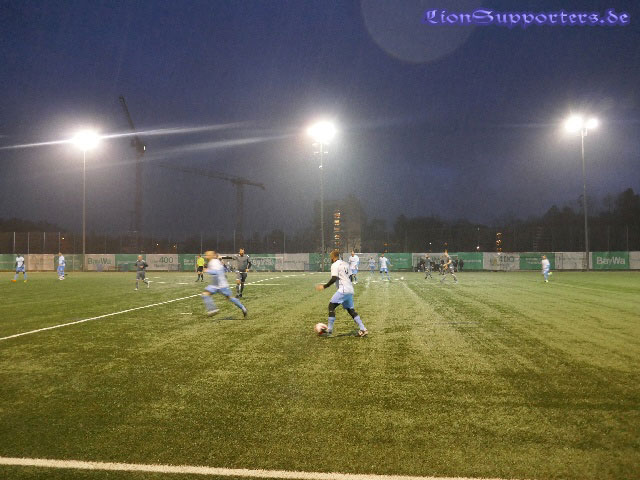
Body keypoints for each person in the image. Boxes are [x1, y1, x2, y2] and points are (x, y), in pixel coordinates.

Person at [315, 249, 367, 337]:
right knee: (351, 310)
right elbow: (351, 278)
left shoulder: (335, 265)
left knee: (331, 306)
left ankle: (329, 330)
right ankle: (363, 329)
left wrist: (324, 286)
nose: (331, 259)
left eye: (331, 257)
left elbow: (334, 278)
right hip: (350, 289)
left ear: (333, 257)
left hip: (343, 290)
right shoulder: (345, 264)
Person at [202, 250, 247, 317]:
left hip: (221, 285)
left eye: (208, 255)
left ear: (212, 255)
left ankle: (243, 307)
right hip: (215, 285)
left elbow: (216, 272)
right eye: (206, 255)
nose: (206, 256)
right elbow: (223, 270)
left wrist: (207, 270)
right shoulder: (214, 261)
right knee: (205, 294)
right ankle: (212, 310)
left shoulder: (214, 262)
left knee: (230, 297)